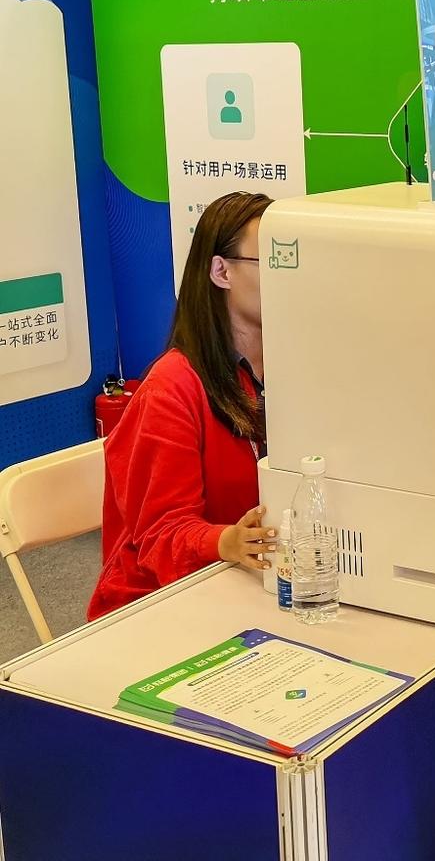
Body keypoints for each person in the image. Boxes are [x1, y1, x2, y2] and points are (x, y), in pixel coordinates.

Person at [88, 192, 277, 619]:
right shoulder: (172, 387)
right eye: (270, 259)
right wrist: (226, 541)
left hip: (254, 583)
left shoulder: (292, 367)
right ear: (221, 271)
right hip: (161, 601)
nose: (286, 273)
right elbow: (161, 535)